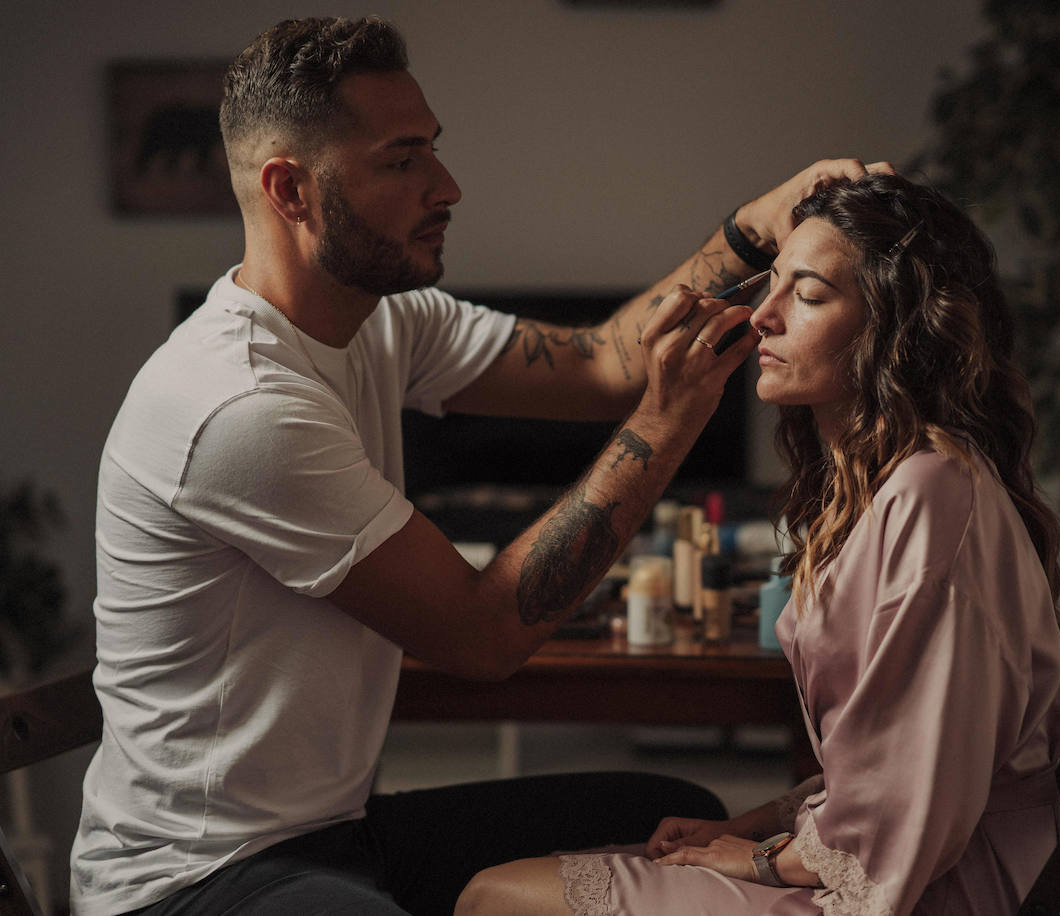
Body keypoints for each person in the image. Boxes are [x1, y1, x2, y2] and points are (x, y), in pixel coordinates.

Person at [69, 14, 892, 916]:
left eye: (435, 150)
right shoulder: (238, 406)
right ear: (290, 190)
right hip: (194, 879)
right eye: (402, 159)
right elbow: (483, 636)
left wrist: (749, 230)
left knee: (679, 816)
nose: (447, 185)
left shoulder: (382, 321)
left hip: (334, 833)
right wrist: (672, 418)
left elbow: (602, 361)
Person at [456, 173, 1060, 915]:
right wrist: (745, 827)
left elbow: (901, 810)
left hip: (926, 895)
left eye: (808, 296)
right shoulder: (886, 488)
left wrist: (755, 859)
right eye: (770, 286)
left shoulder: (931, 494)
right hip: (895, 863)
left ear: (895, 329)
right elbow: (888, 767)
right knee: (527, 879)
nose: (762, 317)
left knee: (495, 898)